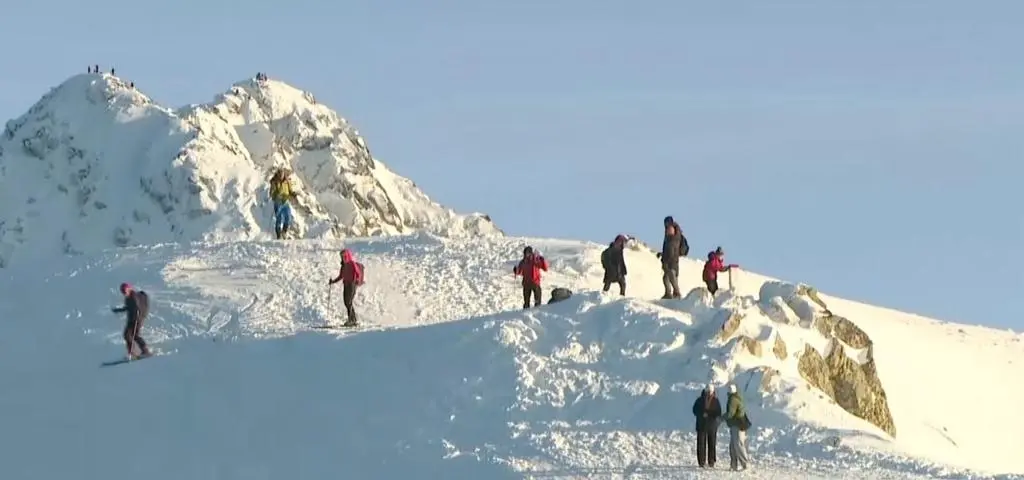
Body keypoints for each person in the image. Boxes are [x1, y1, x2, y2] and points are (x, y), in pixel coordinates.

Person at [110, 282, 151, 360]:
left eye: (125, 291)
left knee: (132, 335)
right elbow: (128, 308)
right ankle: (136, 352)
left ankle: (141, 352)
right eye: (123, 291)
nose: (124, 293)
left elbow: (137, 307)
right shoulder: (129, 297)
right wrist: (118, 310)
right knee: (129, 335)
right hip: (133, 318)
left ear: (129, 289)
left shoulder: (133, 297)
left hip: (136, 319)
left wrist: (137, 316)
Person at [327, 249, 364, 327]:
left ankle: (352, 320)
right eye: (342, 257)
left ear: (347, 256)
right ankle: (352, 319)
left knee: (348, 302)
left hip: (352, 284)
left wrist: (357, 280)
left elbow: (357, 273)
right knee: (346, 302)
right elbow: (341, 276)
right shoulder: (343, 266)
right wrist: (333, 281)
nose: (343, 258)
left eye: (344, 256)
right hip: (346, 285)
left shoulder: (352, 264)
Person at [691, 383, 723, 468]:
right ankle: (701, 462)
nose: (709, 393)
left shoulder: (716, 401)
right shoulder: (699, 400)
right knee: (701, 444)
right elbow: (694, 410)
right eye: (708, 391)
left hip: (712, 426)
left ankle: (711, 461)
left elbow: (718, 412)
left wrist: (709, 414)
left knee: (712, 444)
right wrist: (701, 414)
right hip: (701, 425)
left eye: (710, 391)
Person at [656, 216, 688, 299]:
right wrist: (662, 254)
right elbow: (668, 248)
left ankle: (676, 293)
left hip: (672, 259)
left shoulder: (673, 233)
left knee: (672, 275)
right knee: (666, 277)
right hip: (670, 258)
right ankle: (669, 293)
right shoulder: (671, 234)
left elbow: (671, 248)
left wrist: (667, 258)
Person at [724, 383, 751, 471]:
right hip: (737, 424)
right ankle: (733, 465)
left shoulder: (732, 399)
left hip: (737, 425)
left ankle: (745, 464)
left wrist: (721, 418)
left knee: (738, 445)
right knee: (733, 445)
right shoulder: (737, 397)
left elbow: (730, 414)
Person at [269, 168, 295, 239]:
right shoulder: (275, 182)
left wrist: (293, 194)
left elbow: (290, 190)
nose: (281, 176)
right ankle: (279, 236)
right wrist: (275, 194)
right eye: (280, 174)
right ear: (277, 175)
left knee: (288, 217)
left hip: (285, 202)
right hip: (278, 203)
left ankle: (284, 231)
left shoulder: (287, 182)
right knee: (279, 219)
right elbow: (271, 193)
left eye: (282, 174)